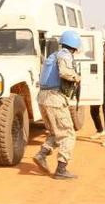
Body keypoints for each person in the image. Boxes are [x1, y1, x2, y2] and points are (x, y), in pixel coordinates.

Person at [33, 30, 83, 179]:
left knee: (55, 132)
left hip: (43, 98)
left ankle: (42, 154)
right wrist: (77, 77)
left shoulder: (52, 55)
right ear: (74, 46)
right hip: (54, 98)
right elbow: (65, 72)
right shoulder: (65, 55)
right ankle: (61, 169)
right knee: (68, 134)